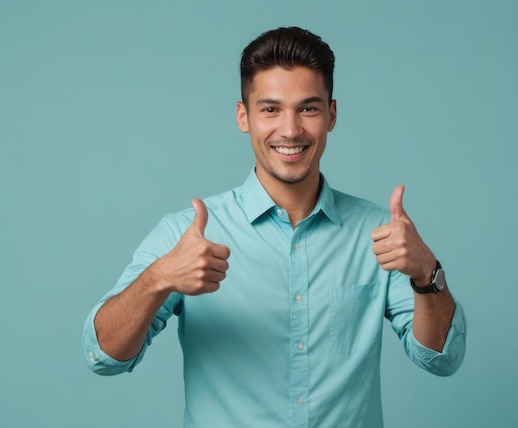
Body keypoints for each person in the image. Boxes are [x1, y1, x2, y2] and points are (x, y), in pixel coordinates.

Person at [83, 26, 466, 427]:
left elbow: (442, 358)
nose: (290, 130)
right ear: (243, 116)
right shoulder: (187, 235)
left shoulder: (379, 232)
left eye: (308, 108)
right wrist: (158, 278)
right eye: (270, 109)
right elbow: (104, 356)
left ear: (331, 115)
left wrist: (428, 273)